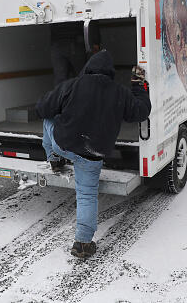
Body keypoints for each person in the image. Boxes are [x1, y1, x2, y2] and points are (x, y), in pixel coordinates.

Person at [36, 50, 151, 258]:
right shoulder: (120, 92)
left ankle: (54, 159)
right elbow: (141, 111)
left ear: (88, 68)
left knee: (48, 121)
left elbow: (43, 108)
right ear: (110, 73)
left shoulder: (72, 85)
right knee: (87, 195)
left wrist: (62, 108)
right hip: (93, 152)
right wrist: (138, 86)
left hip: (64, 144)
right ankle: (82, 244)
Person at [50, 21, 101, 86]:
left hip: (57, 43)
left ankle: (63, 94)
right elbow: (92, 20)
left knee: (60, 80)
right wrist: (95, 41)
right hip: (75, 41)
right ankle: (82, 93)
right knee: (82, 77)